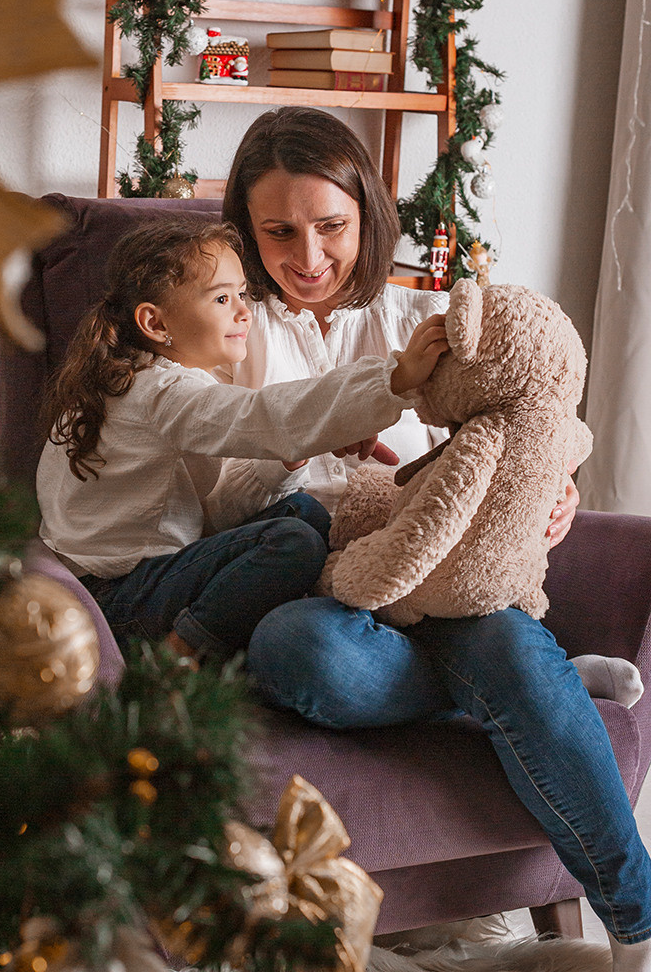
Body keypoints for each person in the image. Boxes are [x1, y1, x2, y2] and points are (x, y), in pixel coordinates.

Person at [221, 106, 651, 971]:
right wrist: (311, 445)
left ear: (366, 216)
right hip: (325, 592)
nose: (308, 257)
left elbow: (522, 418)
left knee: (498, 637)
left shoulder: (431, 321)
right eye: (279, 232)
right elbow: (215, 504)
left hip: (455, 591)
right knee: (295, 649)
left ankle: (637, 925)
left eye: (331, 226)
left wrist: (554, 489)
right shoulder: (228, 326)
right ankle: (532, 687)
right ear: (247, 230)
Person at [36, 214, 448, 664]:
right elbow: (263, 416)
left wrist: (296, 452)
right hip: (118, 598)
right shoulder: (160, 393)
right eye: (221, 298)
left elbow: (218, 513)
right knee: (293, 541)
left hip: (140, 580)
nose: (244, 311)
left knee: (304, 512)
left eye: (242, 293)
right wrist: (394, 378)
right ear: (155, 323)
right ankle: (179, 659)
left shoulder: (124, 378)